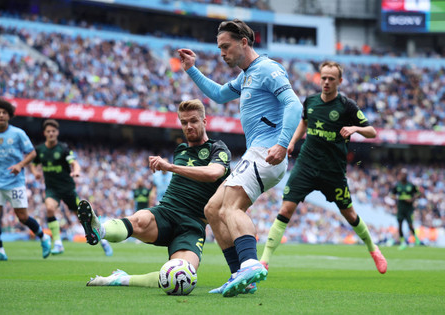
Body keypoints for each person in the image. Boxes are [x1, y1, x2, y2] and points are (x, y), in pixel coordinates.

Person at [178, 19, 302, 297]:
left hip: (266, 152)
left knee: (230, 209)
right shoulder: (246, 75)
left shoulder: (267, 69)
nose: (222, 53)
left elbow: (294, 104)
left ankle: (249, 264)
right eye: (219, 47)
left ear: (244, 42)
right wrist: (192, 70)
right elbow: (220, 95)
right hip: (256, 153)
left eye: (226, 46)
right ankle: (241, 275)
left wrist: (283, 144)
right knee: (212, 209)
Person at [79, 99, 231, 288]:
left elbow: (213, 173)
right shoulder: (181, 151)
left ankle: (121, 279)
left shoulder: (217, 148)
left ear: (204, 121)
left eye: (193, 121)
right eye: (184, 123)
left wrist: (171, 167)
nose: (188, 126)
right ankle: (98, 230)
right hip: (166, 212)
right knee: (139, 219)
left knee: (181, 278)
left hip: (193, 225)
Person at [259, 61, 388, 274]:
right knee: (285, 209)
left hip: (333, 171)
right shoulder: (310, 101)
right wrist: (291, 142)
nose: (326, 82)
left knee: (350, 214)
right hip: (306, 166)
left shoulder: (346, 106)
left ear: (340, 81)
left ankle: (373, 249)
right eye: (324, 77)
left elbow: (372, 132)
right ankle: (264, 262)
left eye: (331, 79)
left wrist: (355, 128)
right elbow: (304, 122)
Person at [0, 98, 51, 261]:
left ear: (9, 116)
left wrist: (20, 165)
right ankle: (0, 251)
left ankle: (44, 237)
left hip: (15, 182)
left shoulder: (17, 133)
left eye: (4, 113)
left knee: (22, 217)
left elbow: (32, 153)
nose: (1, 115)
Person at [30, 119, 113, 256]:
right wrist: (35, 173)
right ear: (44, 133)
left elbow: (74, 162)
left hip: (68, 189)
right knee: (50, 208)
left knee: (83, 218)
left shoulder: (63, 148)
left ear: (57, 133)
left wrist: (77, 170)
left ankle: (103, 239)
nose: (51, 133)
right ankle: (57, 243)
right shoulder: (40, 150)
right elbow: (33, 163)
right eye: (48, 131)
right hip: (52, 189)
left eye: (53, 131)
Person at [390, 168, 422, 250]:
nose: (402, 176)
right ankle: (402, 242)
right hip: (400, 208)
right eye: (401, 174)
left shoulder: (411, 185)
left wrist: (412, 199)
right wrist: (398, 198)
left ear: (406, 176)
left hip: (409, 208)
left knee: (410, 224)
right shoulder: (397, 185)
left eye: (404, 174)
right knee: (400, 225)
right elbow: (392, 195)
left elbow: (418, 194)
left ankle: (416, 240)